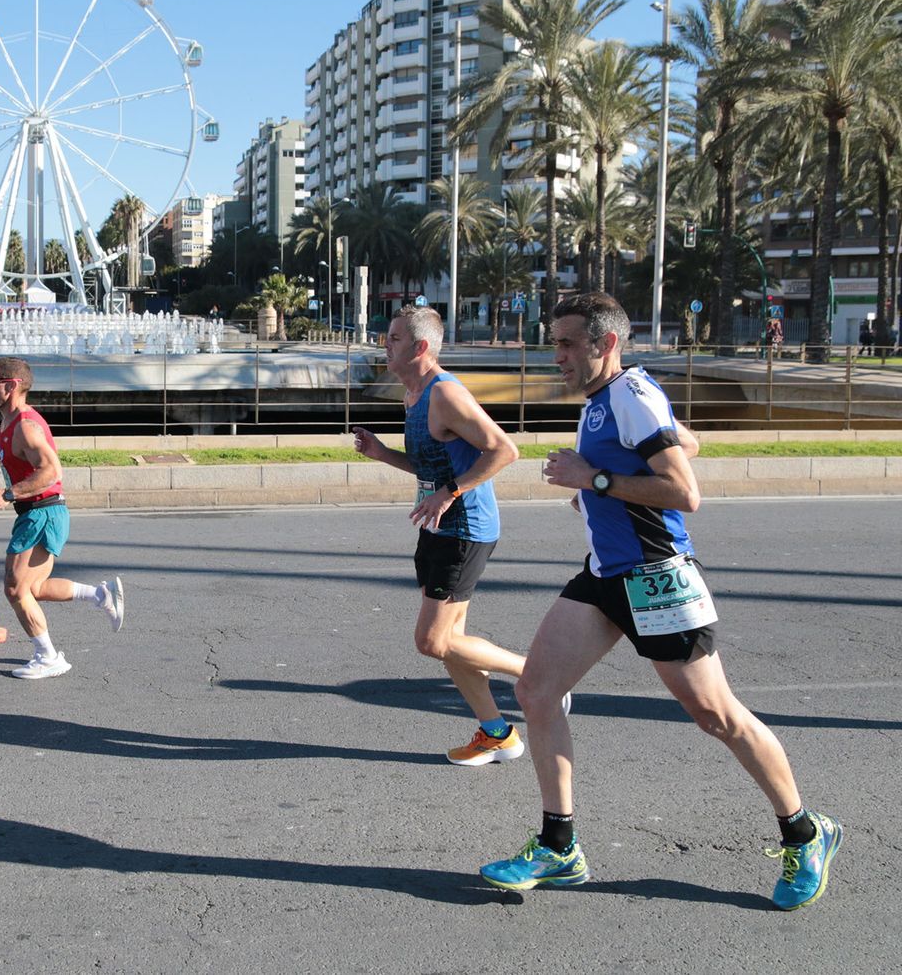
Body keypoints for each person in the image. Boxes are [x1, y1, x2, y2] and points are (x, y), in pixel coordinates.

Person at [479, 292, 840, 911]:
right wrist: (605, 494)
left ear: (605, 344)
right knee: (536, 691)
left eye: (567, 344)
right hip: (605, 577)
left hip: (658, 579)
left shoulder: (629, 394)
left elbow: (684, 490)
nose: (556, 355)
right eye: (555, 342)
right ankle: (559, 847)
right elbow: (682, 442)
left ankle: (806, 833)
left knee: (716, 716)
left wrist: (593, 481)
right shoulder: (611, 399)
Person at [353, 305, 536, 767]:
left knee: (432, 641)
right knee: (450, 642)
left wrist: (451, 493)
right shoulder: (412, 395)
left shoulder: (445, 394)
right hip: (437, 526)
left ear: (419, 348)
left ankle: (538, 676)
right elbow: (431, 465)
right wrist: (382, 454)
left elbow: (504, 450)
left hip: (465, 528)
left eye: (393, 338)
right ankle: (498, 733)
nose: (384, 344)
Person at [0, 356, 124, 678]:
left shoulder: (26, 427)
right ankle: (100, 595)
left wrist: (7, 494)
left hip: (43, 513)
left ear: (11, 385)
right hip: (37, 513)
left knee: (16, 590)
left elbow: (52, 471)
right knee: (34, 588)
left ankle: (48, 657)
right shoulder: (8, 423)